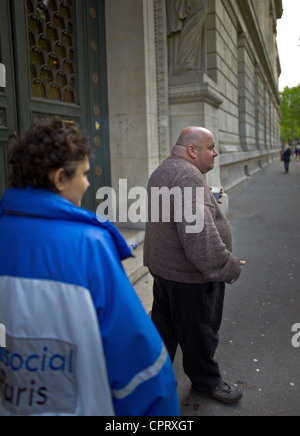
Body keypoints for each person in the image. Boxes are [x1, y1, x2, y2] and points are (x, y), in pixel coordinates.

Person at [0, 118, 179, 416]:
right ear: (59, 178)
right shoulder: (88, 246)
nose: (87, 182)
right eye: (83, 173)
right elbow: (140, 369)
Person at [144, 126, 246, 405]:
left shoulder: (165, 169)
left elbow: (174, 209)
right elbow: (199, 237)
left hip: (163, 269)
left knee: (165, 327)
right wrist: (228, 265)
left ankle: (151, 379)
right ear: (192, 151)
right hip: (189, 276)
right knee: (199, 332)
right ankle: (207, 382)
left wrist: (207, 196)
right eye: (210, 147)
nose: (215, 153)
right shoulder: (189, 176)